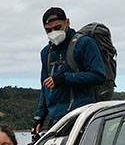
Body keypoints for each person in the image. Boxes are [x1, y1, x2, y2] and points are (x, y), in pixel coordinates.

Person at [32, 7, 106, 137]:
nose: (53, 32)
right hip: (57, 122)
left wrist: (64, 79)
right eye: (48, 30)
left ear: (67, 22)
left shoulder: (85, 43)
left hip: (82, 116)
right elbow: (45, 88)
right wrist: (39, 117)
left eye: (57, 27)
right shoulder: (46, 53)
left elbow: (98, 75)